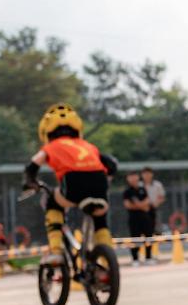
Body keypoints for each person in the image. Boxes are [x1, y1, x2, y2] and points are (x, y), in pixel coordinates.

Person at [22, 103, 118, 264]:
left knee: (53, 201)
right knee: (100, 215)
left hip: (73, 183)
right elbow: (112, 164)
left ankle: (56, 250)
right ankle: (108, 260)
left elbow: (32, 166)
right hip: (100, 182)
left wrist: (30, 182)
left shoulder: (50, 146)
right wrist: (105, 181)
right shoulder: (88, 146)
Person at [122, 171, 153, 265]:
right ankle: (135, 258)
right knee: (135, 238)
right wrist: (141, 206)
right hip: (133, 218)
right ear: (128, 179)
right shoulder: (127, 191)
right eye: (131, 177)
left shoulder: (142, 189)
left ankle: (148, 257)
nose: (133, 179)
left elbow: (148, 202)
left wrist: (139, 205)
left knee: (148, 236)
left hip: (145, 217)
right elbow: (128, 205)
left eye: (135, 176)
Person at [140, 167, 166, 235]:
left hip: (154, 208)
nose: (147, 175)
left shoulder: (157, 185)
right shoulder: (139, 185)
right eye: (145, 174)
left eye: (148, 173)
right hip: (141, 210)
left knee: (155, 228)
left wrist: (156, 204)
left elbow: (162, 197)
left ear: (152, 174)